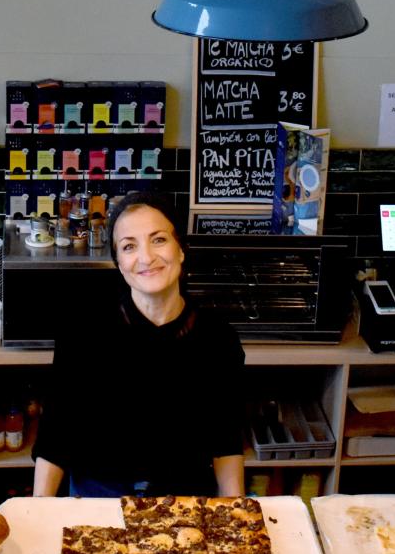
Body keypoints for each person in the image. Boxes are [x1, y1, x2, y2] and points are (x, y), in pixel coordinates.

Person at [32, 193, 246, 497]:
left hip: (185, 500)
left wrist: (233, 512)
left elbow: (226, 441)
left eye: (158, 240)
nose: (146, 257)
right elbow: (56, 435)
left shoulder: (218, 340)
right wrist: (39, 509)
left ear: (181, 249)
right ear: (119, 263)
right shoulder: (83, 334)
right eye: (129, 246)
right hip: (98, 498)